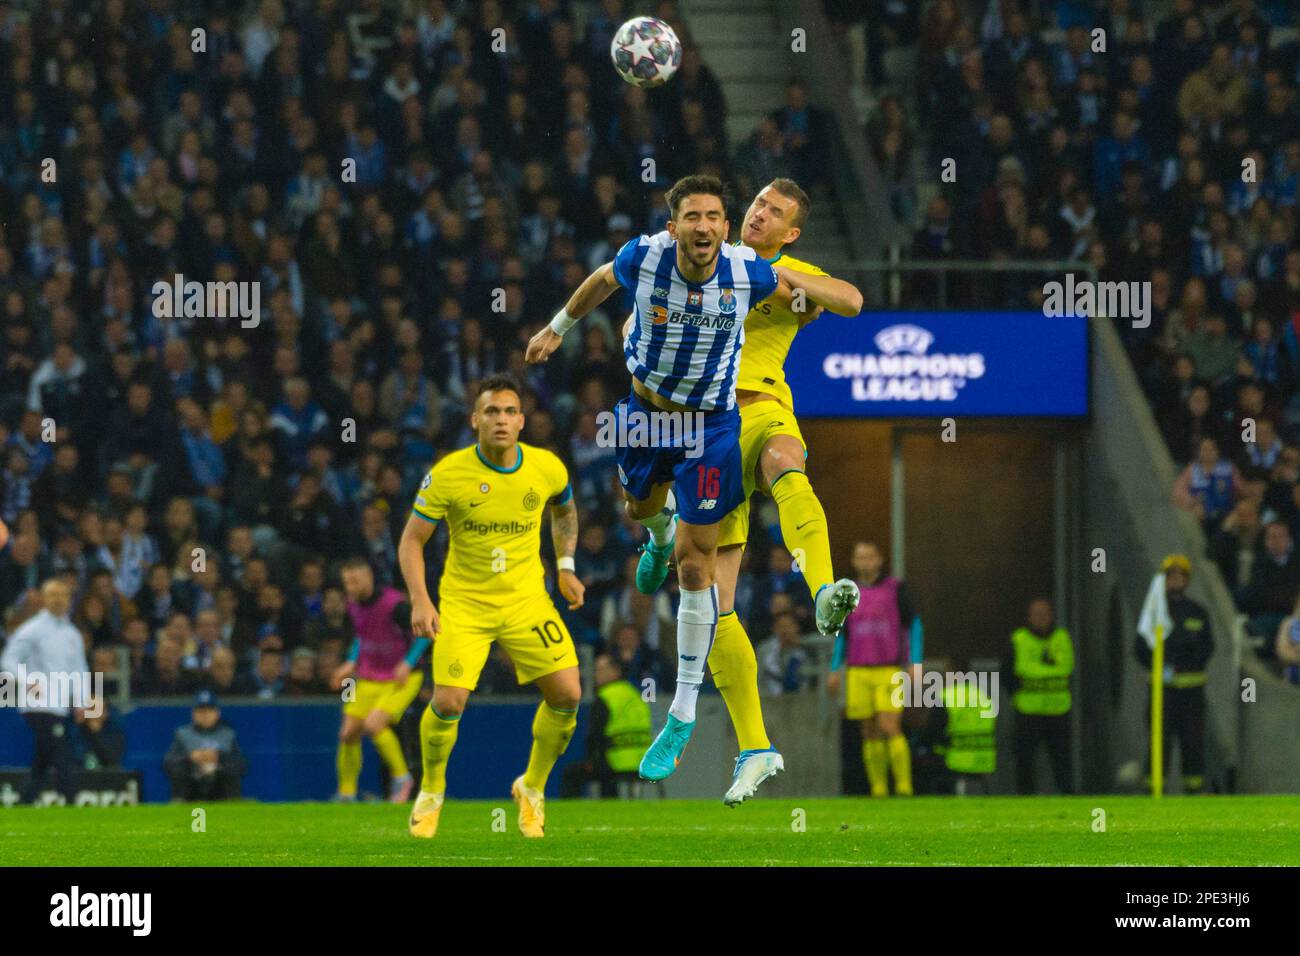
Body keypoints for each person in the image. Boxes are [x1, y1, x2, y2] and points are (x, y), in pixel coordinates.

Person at [525, 173, 791, 781]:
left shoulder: (749, 272)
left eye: (714, 217)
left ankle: (682, 710)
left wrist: (832, 295)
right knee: (638, 509)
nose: (703, 227)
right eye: (691, 217)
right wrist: (556, 329)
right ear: (673, 226)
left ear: (726, 227)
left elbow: (800, 292)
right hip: (646, 419)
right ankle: (657, 534)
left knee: (697, 568)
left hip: (712, 429)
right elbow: (598, 283)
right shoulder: (642, 257)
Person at [636, 179, 865, 805]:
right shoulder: (703, 258)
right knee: (713, 598)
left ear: (791, 233)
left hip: (761, 407)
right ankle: (757, 748)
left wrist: (793, 284)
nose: (760, 215)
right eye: (758, 204)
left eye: (776, 213)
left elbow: (850, 299)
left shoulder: (786, 269)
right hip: (704, 429)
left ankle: (822, 589)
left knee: (788, 461)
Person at [400, 374, 586, 839]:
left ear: (522, 421)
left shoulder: (546, 467)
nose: (500, 420)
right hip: (465, 604)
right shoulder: (448, 474)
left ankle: (532, 788)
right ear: (474, 420)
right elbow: (411, 541)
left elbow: (564, 509)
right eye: (490, 412)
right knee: (448, 701)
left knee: (568, 695)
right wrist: (421, 600)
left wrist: (565, 566)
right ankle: (432, 789)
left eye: (508, 412)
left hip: (527, 601)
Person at [331, 558, 428, 803]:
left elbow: (426, 633)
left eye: (354, 581)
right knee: (347, 733)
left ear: (369, 577)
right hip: (365, 677)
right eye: (346, 582)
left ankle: (402, 777)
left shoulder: (395, 605)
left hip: (402, 678)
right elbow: (361, 636)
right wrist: (350, 662)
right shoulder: (352, 605)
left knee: (374, 726)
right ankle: (346, 793)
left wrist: (408, 662)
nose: (350, 587)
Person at [827, 542, 919, 797]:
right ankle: (878, 787)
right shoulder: (847, 593)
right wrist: (835, 668)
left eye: (870, 557)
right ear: (854, 562)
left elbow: (914, 625)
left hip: (888, 668)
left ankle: (904, 785)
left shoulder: (896, 589)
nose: (865, 562)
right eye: (860, 558)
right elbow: (842, 634)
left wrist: (915, 662)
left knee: (889, 725)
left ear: (879, 560)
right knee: (868, 729)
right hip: (858, 669)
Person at [0, 577, 89, 804]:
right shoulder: (31, 630)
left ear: (70, 599)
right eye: (53, 595)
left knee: (43, 758)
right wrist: (28, 681)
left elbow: (79, 669)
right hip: (38, 704)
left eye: (63, 595)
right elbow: (8, 661)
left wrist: (81, 702)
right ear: (43, 599)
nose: (59, 600)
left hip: (59, 706)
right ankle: (71, 799)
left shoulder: (71, 634)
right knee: (62, 752)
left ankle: (25, 800)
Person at [1135, 554, 1214, 793]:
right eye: (1171, 576)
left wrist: (1186, 662)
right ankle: (1154, 790)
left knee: (1193, 742)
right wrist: (1160, 667)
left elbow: (1207, 647)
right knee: (1159, 742)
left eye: (1180, 576)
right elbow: (1139, 648)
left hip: (1192, 692)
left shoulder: (1198, 612)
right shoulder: (1154, 611)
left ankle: (1193, 790)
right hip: (1162, 692)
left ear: (1187, 580)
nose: (1175, 580)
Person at [1007, 597, 1075, 794]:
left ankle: (1067, 796)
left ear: (1051, 615)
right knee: (1024, 759)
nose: (1041, 618)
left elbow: (1070, 671)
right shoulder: (1019, 640)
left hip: (1058, 709)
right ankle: (1026, 798)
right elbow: (1007, 674)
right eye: (1037, 614)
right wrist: (1017, 697)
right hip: (1029, 711)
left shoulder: (1062, 638)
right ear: (1029, 618)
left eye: (1044, 614)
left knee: (1062, 759)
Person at [560, 654, 652, 797]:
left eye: (602, 669)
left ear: (616, 671)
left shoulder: (605, 697)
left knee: (572, 773)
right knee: (603, 766)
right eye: (596, 669)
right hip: (643, 761)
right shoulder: (635, 694)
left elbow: (594, 735)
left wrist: (591, 760)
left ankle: (574, 813)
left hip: (616, 761)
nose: (597, 674)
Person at [162, 690, 248, 801]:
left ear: (217, 713)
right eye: (201, 711)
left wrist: (219, 757)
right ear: (193, 714)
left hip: (219, 781)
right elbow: (168, 762)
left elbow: (241, 764)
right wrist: (190, 758)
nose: (205, 715)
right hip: (192, 780)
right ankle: (179, 807)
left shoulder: (228, 734)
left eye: (209, 711)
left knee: (231, 774)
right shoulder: (183, 734)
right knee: (179, 772)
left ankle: (231, 810)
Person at [937, 672, 997, 796]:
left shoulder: (947, 695)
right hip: (984, 756)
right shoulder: (982, 695)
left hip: (957, 756)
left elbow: (935, 729)